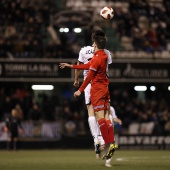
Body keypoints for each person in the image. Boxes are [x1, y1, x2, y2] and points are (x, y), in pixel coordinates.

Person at [60, 33, 117, 161]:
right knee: (107, 116)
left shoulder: (94, 58)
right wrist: (71, 66)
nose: (92, 46)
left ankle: (105, 142)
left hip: (96, 90)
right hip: (105, 89)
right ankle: (112, 142)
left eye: (94, 44)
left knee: (99, 117)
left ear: (96, 45)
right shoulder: (103, 55)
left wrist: (80, 90)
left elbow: (89, 75)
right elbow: (88, 65)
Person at [73, 29, 112, 159]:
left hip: (90, 84)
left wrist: (77, 81)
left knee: (91, 112)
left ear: (93, 39)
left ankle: (96, 140)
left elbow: (83, 66)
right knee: (106, 114)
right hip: (102, 85)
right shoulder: (106, 52)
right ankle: (107, 141)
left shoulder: (83, 50)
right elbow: (106, 69)